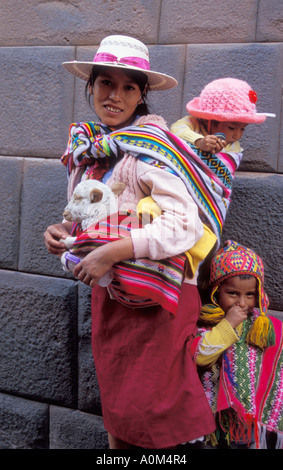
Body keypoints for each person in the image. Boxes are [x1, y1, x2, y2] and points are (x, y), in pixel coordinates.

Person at [44, 34, 217, 449]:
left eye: (128, 87)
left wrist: (115, 251)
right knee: (120, 416)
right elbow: (86, 220)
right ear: (91, 87)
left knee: (158, 422)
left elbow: (184, 226)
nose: (114, 95)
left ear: (141, 95)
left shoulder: (151, 150)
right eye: (106, 83)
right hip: (114, 298)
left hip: (159, 301)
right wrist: (62, 234)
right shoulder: (91, 152)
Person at [191, 240, 283, 449]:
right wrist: (228, 325)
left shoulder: (264, 326)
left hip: (248, 422)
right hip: (211, 419)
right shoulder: (205, 323)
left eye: (250, 294)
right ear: (216, 291)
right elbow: (200, 357)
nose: (242, 302)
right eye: (233, 293)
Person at [170, 77, 275, 154]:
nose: (237, 136)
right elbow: (175, 129)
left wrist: (218, 152)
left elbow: (226, 165)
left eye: (242, 129)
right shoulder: (193, 123)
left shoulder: (233, 147)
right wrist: (199, 141)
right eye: (231, 128)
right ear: (208, 120)